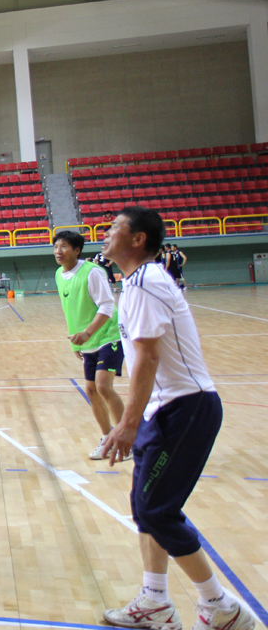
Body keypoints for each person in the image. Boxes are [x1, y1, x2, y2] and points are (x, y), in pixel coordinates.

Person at [99, 207, 253, 630]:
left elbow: (148, 358)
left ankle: (220, 606)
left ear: (138, 239)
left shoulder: (146, 282)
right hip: (165, 409)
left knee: (157, 511)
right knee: (145, 507)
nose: (106, 233)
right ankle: (154, 601)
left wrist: (127, 423)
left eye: (114, 227)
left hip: (186, 408)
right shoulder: (136, 282)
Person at [53, 230, 125, 460]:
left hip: (107, 336)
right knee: (92, 390)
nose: (58, 251)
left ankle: (126, 440)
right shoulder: (59, 274)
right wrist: (77, 344)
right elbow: (70, 311)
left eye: (64, 246)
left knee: (103, 387)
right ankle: (107, 437)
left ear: (77, 250)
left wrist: (87, 333)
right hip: (87, 341)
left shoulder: (92, 272)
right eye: (56, 247)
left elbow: (107, 306)